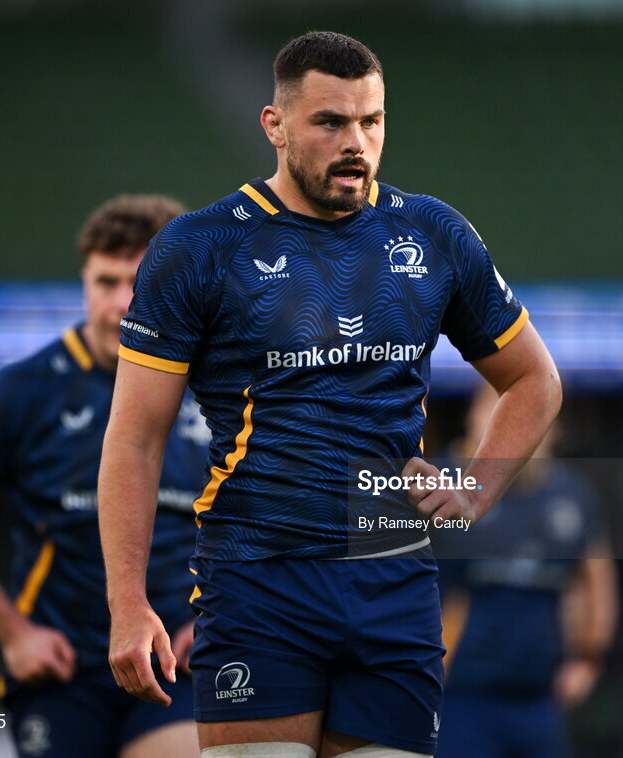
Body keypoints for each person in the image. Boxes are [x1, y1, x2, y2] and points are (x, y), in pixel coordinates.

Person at [99, 31, 562, 758]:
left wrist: (474, 488)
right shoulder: (199, 248)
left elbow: (534, 380)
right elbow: (134, 437)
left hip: (393, 576)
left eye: (370, 122)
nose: (356, 142)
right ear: (274, 125)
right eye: (330, 122)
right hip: (258, 581)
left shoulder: (432, 233)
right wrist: (127, 604)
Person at [0, 195, 206, 758]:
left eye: (139, 283)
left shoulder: (220, 386)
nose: (120, 305)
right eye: (104, 282)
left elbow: (264, 508)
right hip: (64, 677)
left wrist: (220, 616)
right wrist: (13, 633)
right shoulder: (23, 389)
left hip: (178, 665)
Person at [433, 384, 618, 758]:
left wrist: (588, 658)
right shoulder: (441, 485)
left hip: (539, 701)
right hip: (460, 698)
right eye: (491, 411)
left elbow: (595, 580)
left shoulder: (573, 499)